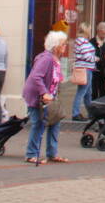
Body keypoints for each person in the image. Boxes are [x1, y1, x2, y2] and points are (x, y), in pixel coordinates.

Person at [22, 30, 67, 164]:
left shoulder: (55, 59)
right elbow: (36, 76)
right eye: (63, 44)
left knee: (55, 122)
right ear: (56, 46)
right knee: (39, 123)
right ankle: (31, 154)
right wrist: (44, 92)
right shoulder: (46, 59)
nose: (65, 47)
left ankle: (52, 153)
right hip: (37, 97)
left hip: (50, 97)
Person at [71, 21, 96, 120]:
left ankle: (91, 113)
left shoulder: (79, 41)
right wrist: (95, 58)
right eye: (90, 30)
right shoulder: (84, 42)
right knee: (82, 91)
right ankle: (75, 113)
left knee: (88, 92)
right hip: (86, 69)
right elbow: (86, 56)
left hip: (83, 68)